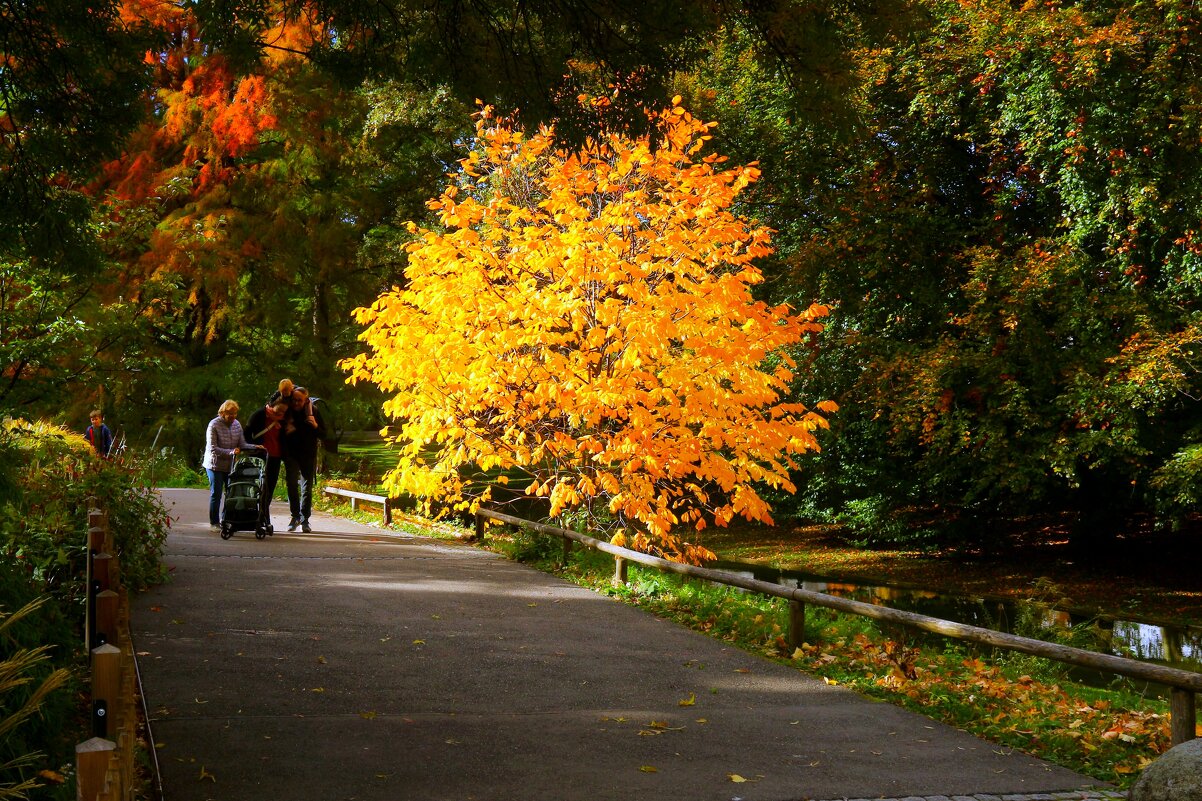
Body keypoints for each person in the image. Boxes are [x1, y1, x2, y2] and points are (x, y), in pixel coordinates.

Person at [201, 399, 255, 532]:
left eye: (235, 413)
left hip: (230, 465)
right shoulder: (213, 425)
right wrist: (230, 452)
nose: (233, 416)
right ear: (222, 413)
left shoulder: (237, 424)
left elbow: (241, 444)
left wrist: (254, 446)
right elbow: (212, 448)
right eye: (230, 413)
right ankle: (214, 522)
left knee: (231, 494)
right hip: (214, 465)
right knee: (217, 493)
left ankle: (228, 519)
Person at [281, 386, 325, 533]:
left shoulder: (314, 412)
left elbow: (324, 434)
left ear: (306, 400)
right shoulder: (287, 410)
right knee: (291, 484)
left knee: (307, 487)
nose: (296, 403)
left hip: (308, 454)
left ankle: (305, 519)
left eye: (300, 400)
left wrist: (315, 425)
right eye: (294, 399)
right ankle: (295, 516)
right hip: (291, 453)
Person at [245, 400, 289, 529]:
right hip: (259, 457)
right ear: (271, 407)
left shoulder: (283, 420)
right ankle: (254, 515)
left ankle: (263, 515)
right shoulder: (258, 415)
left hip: (275, 457)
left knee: (269, 489)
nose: (280, 414)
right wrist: (253, 447)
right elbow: (246, 434)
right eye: (278, 411)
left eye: (283, 412)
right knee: (259, 488)